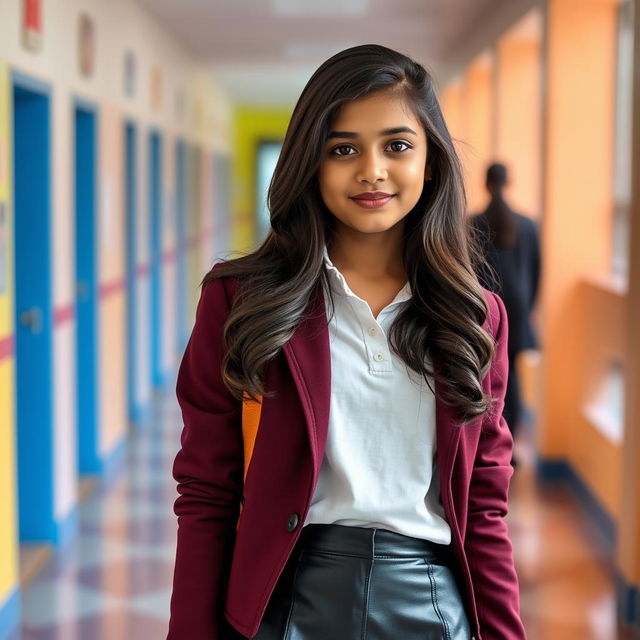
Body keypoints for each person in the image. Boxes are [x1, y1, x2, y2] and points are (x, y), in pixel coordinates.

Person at [167, 45, 526, 640]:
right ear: (311, 162)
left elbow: (485, 509)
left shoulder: (475, 316)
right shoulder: (240, 301)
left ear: (431, 161)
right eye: (343, 149)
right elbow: (206, 490)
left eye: (397, 145)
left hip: (434, 612)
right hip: (283, 608)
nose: (372, 170)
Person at [469, 163, 541, 462]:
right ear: (508, 182)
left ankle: (486, 443)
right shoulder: (527, 225)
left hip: (483, 310)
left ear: (485, 184)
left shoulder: (472, 223)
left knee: (485, 375)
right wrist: (527, 310)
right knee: (511, 376)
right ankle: (509, 445)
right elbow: (537, 272)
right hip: (517, 308)